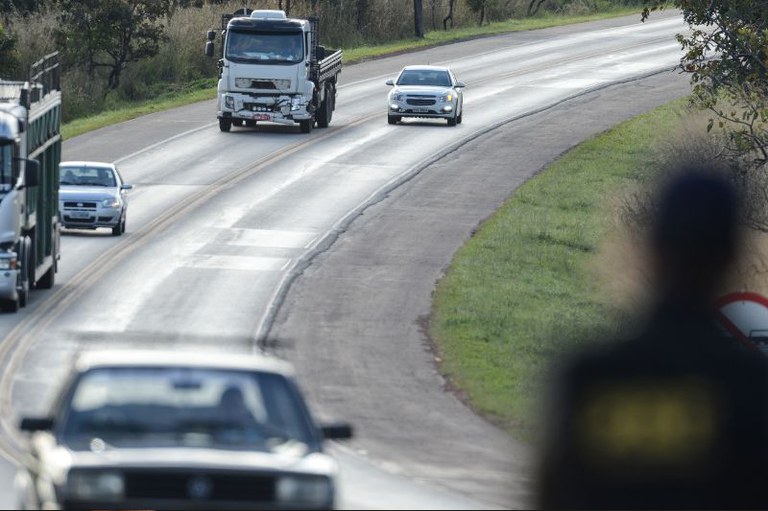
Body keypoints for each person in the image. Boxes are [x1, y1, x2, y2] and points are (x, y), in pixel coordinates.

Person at [535, 164, 768, 509]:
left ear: (653, 246)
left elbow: (553, 492)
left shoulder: (592, 379)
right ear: (732, 254)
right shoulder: (754, 387)